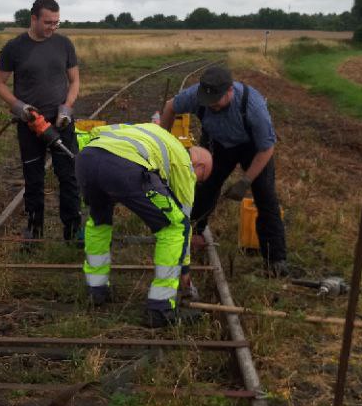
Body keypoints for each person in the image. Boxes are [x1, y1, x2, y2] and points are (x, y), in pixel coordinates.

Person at [76, 121, 212, 327]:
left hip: (87, 159)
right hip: (125, 167)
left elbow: (93, 132)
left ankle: (96, 290)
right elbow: (183, 221)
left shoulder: (147, 130)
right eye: (200, 179)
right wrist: (185, 272)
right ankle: (161, 307)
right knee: (175, 227)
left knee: (99, 222)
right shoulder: (184, 163)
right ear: (199, 166)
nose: (196, 181)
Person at [160, 64, 288, 275]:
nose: (211, 106)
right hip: (218, 143)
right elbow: (170, 107)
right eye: (207, 102)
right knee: (205, 186)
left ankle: (275, 259)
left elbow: (267, 148)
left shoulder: (253, 106)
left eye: (216, 102)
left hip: (252, 148)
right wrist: (161, 141)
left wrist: (246, 180)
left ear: (229, 91)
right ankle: (193, 234)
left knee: (265, 197)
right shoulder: (196, 95)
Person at [0, 0, 82, 241]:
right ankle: (34, 232)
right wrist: (18, 107)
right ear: (33, 19)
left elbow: (74, 80)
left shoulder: (64, 44)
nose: (52, 27)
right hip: (30, 124)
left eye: (56, 22)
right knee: (33, 180)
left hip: (61, 122)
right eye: (48, 22)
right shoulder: (14, 47)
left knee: (69, 177)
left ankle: (73, 232)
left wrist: (67, 107)